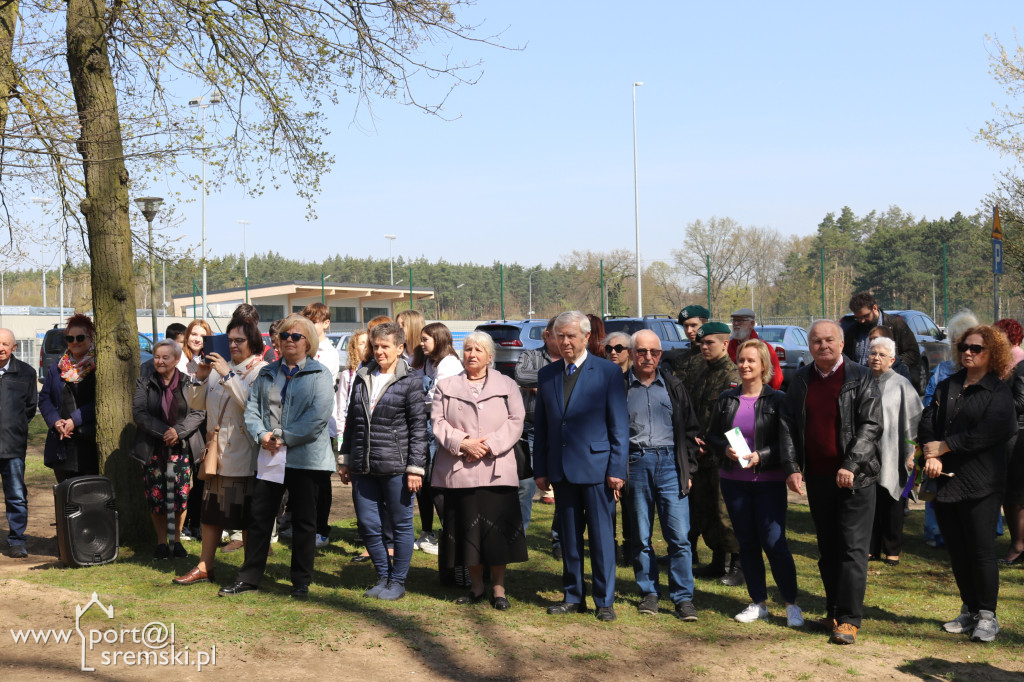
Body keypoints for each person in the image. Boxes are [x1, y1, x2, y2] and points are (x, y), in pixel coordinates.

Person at [781, 319, 882, 645]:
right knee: (828, 549)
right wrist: (792, 467)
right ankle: (834, 611)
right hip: (819, 477)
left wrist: (851, 464)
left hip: (855, 478)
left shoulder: (861, 376)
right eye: (816, 341)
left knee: (852, 550)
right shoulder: (800, 379)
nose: (823, 346)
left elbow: (870, 426)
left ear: (841, 344)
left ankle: (850, 619)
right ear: (809, 346)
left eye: (829, 340)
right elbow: (788, 426)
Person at [219, 314, 334, 599]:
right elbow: (252, 412)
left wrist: (281, 437)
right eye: (285, 336)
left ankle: (300, 582)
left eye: (297, 336)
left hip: (305, 459)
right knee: (259, 517)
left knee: (305, 522)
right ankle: (249, 578)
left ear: (309, 342)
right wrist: (262, 436)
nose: (289, 341)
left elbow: (316, 419)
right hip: (270, 457)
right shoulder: (268, 372)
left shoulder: (320, 375)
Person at [920, 325, 1017, 642]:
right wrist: (930, 454)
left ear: (993, 354)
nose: (968, 352)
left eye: (976, 348)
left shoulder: (997, 390)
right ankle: (970, 609)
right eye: (964, 346)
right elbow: (927, 422)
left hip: (982, 483)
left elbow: (994, 431)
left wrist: (946, 447)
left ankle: (988, 615)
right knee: (958, 551)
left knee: (981, 551)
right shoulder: (948, 384)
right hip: (946, 480)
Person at [533, 311, 628, 622]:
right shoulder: (547, 375)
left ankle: (604, 601)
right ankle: (573, 596)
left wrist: (617, 469)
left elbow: (619, 426)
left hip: (598, 470)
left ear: (587, 337)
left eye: (571, 336)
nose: (565, 341)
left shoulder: (607, 373)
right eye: (560, 336)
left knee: (601, 539)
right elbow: (543, 427)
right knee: (569, 538)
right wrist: (541, 469)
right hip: (561, 470)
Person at [708, 339, 803, 627]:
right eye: (741, 361)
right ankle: (758, 602)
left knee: (775, 543)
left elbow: (787, 443)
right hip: (733, 481)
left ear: (764, 366)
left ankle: (791, 605)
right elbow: (712, 435)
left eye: (751, 361)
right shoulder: (726, 399)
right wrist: (724, 449)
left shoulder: (777, 400)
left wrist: (760, 455)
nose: (745, 365)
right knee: (747, 543)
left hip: (768, 482)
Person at [432, 331, 527, 609]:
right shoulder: (446, 385)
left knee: (497, 534)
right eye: (468, 349)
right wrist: (462, 443)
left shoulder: (507, 384)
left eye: (479, 350)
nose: (472, 354)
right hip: (460, 468)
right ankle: (476, 587)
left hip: (496, 468)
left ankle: (499, 590)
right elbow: (437, 422)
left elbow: (516, 420)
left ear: (490, 356)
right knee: (467, 531)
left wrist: (489, 446)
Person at [174, 316, 268, 585]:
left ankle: (249, 572)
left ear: (253, 341)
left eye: (240, 340)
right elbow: (197, 404)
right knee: (210, 513)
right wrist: (200, 378)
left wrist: (228, 374)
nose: (234, 345)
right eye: (230, 341)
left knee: (247, 517)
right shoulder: (216, 369)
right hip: (216, 454)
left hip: (245, 455)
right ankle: (204, 566)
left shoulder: (261, 371)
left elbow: (252, 406)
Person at [338, 322, 428, 601]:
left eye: (385, 346)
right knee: (368, 524)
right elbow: (352, 420)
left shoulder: (410, 380)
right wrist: (345, 458)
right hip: (363, 467)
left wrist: (415, 468)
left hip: (397, 469)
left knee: (401, 526)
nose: (378, 351)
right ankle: (383, 576)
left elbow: (418, 428)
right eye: (375, 346)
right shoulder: (362, 375)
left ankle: (398, 581)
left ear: (400, 348)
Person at [623, 330, 700, 621]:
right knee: (641, 537)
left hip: (671, 465)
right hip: (636, 464)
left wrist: (688, 469)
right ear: (631, 354)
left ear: (660, 355)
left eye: (653, 352)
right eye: (641, 351)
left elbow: (690, 431)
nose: (647, 357)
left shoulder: (673, 386)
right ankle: (649, 594)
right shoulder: (620, 388)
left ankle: (683, 599)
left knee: (679, 537)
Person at [132, 339, 206, 560]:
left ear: (176, 360)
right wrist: (165, 431)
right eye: (157, 357)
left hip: (181, 447)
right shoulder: (144, 383)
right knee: (157, 496)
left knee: (181, 495)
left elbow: (198, 412)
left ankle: (177, 542)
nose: (160, 361)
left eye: (166, 357)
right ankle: (162, 542)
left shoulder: (188, 382)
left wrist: (178, 432)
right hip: (153, 448)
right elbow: (139, 413)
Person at [689, 322, 742, 585]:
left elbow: (736, 421)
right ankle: (717, 561)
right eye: (702, 343)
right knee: (707, 510)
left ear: (725, 343)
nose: (704, 347)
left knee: (726, 511)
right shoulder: (703, 372)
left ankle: (738, 565)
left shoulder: (732, 376)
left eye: (709, 342)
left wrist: (719, 446)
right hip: (702, 456)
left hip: (724, 455)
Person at [922, 310, 979, 548]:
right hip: (941, 444)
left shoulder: (985, 375)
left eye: (968, 344)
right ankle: (938, 533)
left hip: (970, 446)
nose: (963, 350)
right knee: (939, 488)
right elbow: (927, 404)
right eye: (957, 343)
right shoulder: (942, 370)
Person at [866, 336, 922, 567]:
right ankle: (871, 548)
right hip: (867, 453)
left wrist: (912, 451)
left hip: (894, 451)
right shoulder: (863, 380)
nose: (876, 358)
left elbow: (915, 420)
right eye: (873, 353)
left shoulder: (901, 384)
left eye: (881, 355)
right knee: (870, 503)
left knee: (892, 500)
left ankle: (892, 550)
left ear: (892, 359)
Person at [417, 322, 463, 553]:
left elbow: (436, 397)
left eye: (426, 339)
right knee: (424, 482)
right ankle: (428, 533)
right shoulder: (429, 363)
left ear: (439, 339)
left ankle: (451, 536)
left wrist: (414, 400)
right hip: (425, 426)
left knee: (436, 483)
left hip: (439, 428)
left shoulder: (450, 364)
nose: (421, 343)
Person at [515, 317, 561, 541]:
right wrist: (556, 382)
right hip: (529, 430)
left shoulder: (571, 360)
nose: (564, 340)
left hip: (560, 432)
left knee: (562, 487)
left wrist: (540, 387)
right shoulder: (530, 355)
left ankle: (559, 538)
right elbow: (521, 376)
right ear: (547, 335)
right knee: (524, 487)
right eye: (558, 334)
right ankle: (518, 538)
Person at [40, 314, 98, 482]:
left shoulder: (98, 367)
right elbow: (44, 398)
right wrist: (56, 421)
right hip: (62, 443)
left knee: (89, 498)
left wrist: (74, 420)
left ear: (90, 338)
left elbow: (99, 403)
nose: (75, 342)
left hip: (89, 443)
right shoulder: (57, 368)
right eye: (70, 338)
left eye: (80, 337)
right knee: (66, 498)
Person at [301, 302, 340, 549]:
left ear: (326, 323)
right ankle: (305, 525)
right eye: (308, 320)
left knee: (321, 481)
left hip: (323, 425)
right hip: (301, 423)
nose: (311, 326)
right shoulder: (303, 348)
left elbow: (321, 386)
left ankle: (322, 529)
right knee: (304, 480)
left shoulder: (329, 353)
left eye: (315, 321)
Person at [0, 329, 38, 558]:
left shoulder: (26, 373)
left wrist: (14, 426)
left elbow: (30, 408)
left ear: (14, 347)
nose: (0, 348)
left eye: (5, 344)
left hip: (12, 446)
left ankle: (17, 540)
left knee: (15, 495)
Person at [995, 318, 1024, 565]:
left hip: (1018, 437)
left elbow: (1020, 403)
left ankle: (1018, 546)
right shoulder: (1007, 363)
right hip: (1009, 435)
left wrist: (993, 404)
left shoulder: (1019, 364)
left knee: (1015, 496)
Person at [844, 292, 919, 370]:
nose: (862, 321)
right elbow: (845, 358)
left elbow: (913, 354)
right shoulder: (852, 331)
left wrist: (890, 366)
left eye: (866, 316)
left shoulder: (896, 325)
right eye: (858, 318)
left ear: (875, 308)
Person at [728, 308, 783, 391]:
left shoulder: (765, 348)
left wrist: (766, 398)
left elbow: (776, 379)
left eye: (740, 320)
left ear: (752, 324)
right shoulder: (729, 347)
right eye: (734, 321)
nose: (735, 324)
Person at [669, 305, 710, 398]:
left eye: (693, 325)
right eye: (685, 326)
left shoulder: (714, 357)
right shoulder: (681, 359)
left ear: (705, 324)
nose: (689, 330)